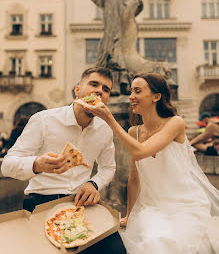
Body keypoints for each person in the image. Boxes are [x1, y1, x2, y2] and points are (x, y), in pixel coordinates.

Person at [84, 72, 219, 254]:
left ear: (157, 96)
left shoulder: (175, 123)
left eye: (137, 91)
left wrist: (110, 119)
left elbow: (142, 151)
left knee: (173, 243)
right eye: (131, 91)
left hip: (186, 205)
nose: (131, 96)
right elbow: (134, 179)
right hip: (153, 208)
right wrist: (130, 215)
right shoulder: (134, 132)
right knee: (153, 242)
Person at [1, 66, 126, 254]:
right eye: (94, 84)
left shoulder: (105, 129)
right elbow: (7, 166)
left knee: (117, 251)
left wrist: (93, 184)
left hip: (82, 205)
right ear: (77, 90)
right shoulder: (43, 120)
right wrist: (36, 165)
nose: (100, 91)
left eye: (106, 89)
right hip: (40, 203)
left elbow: (108, 168)